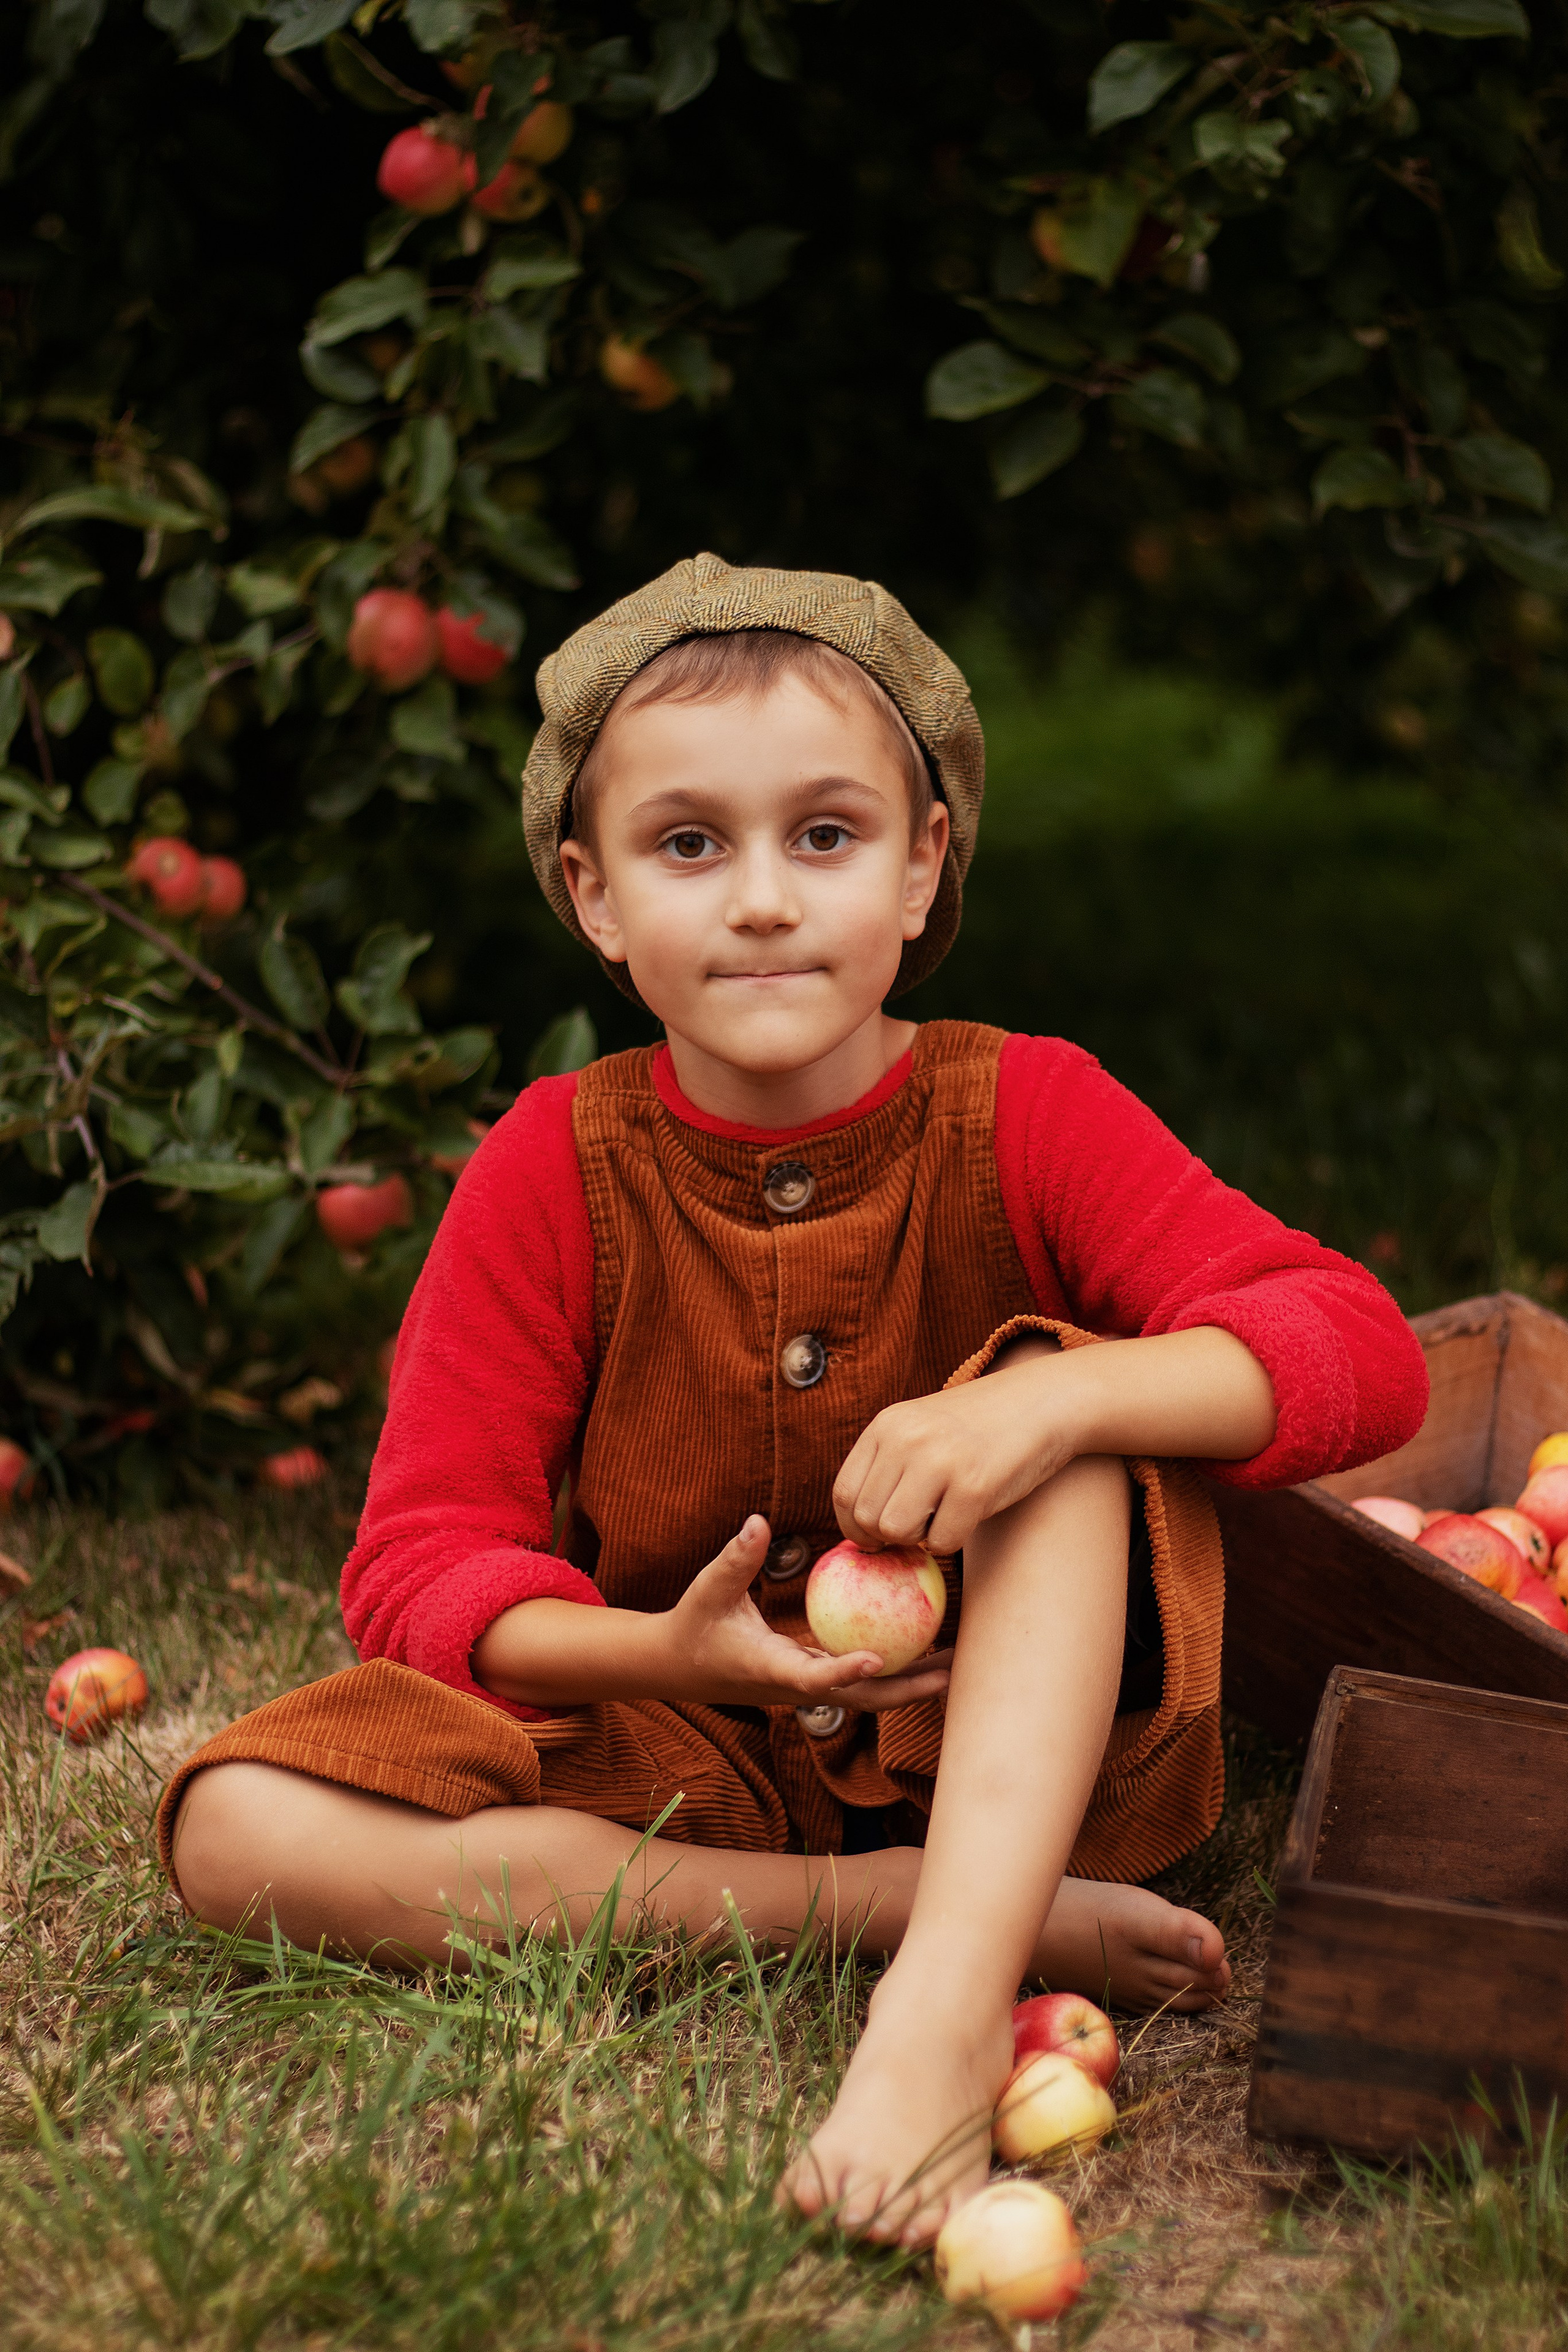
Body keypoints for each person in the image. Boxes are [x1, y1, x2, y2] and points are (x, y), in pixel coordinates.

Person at [160, 554, 1428, 2247]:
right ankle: (865, 1911)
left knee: (1053, 1408)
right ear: (595, 896)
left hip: (1010, 1726)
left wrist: (1050, 1409)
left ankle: (936, 2018)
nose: (761, 899)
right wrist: (656, 1657)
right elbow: (420, 1559)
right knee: (236, 1828)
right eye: (689, 844)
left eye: (824, 836)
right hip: (676, 1759)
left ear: (921, 869)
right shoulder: (555, 1166)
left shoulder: (1027, 1111)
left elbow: (1357, 1347)